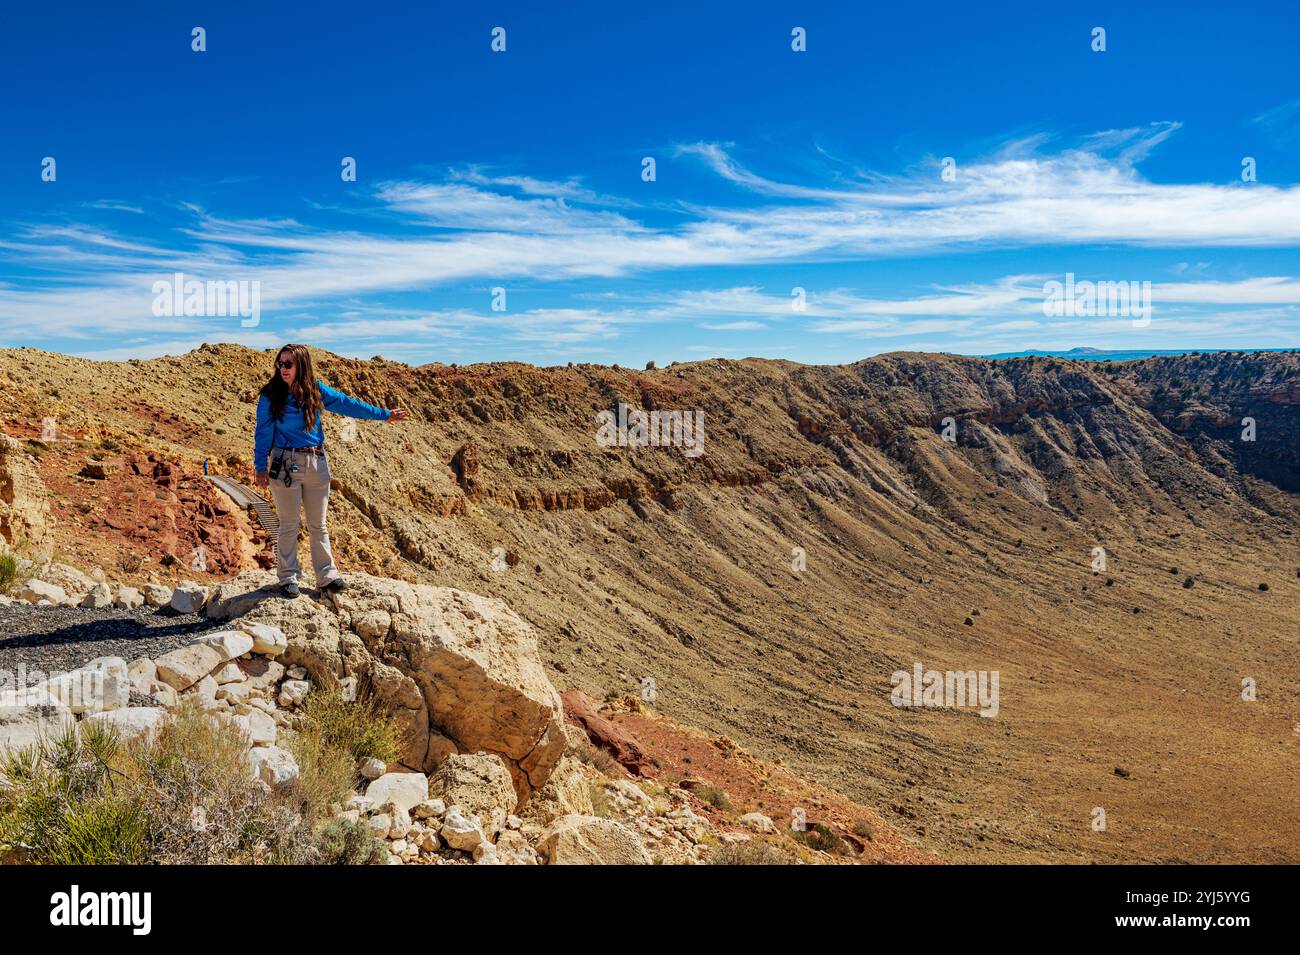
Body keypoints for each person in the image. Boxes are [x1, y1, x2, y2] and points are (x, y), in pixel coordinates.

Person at [253, 343, 409, 597]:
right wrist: (260, 467)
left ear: (301, 365)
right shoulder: (271, 394)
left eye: (288, 364)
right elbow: (263, 433)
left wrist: (383, 415)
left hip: (316, 463)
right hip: (284, 464)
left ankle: (326, 576)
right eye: (280, 364)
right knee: (289, 524)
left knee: (319, 524)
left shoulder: (315, 389)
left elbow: (348, 404)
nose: (283, 369)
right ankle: (287, 578)